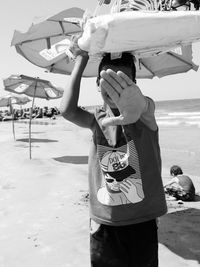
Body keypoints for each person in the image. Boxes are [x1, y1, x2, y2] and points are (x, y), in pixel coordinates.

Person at [59, 39, 167, 266]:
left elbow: (147, 107)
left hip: (142, 222)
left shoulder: (144, 116)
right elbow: (67, 111)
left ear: (135, 84)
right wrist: (81, 59)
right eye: (107, 81)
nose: (114, 88)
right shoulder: (95, 120)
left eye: (123, 81)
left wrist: (142, 103)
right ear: (98, 84)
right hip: (104, 224)